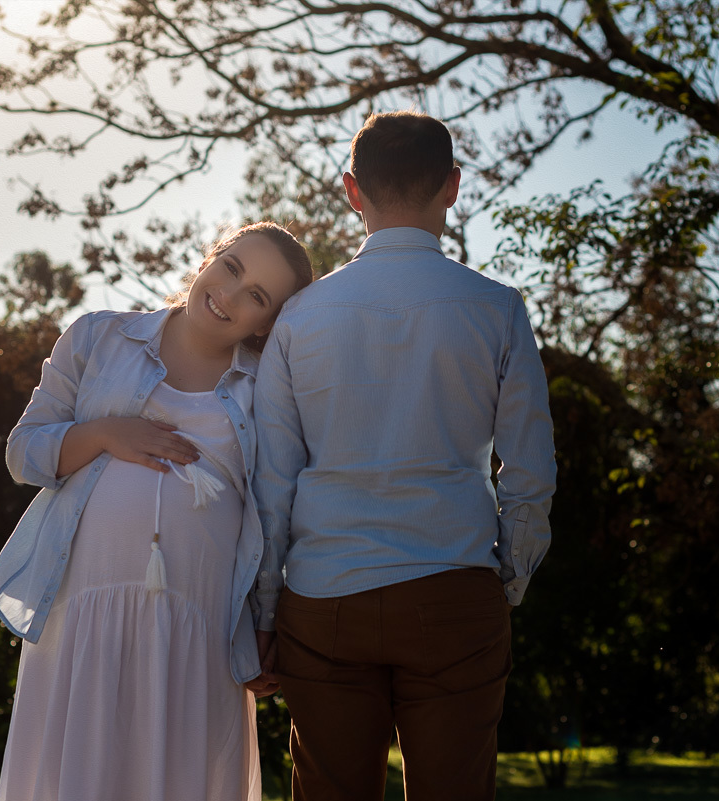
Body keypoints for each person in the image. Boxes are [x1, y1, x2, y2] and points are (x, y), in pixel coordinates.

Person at [251, 112, 557, 800]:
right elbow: (530, 471)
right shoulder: (498, 309)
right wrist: (507, 579)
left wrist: (266, 608)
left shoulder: (299, 318)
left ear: (351, 191)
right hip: (455, 588)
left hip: (324, 599)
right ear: (452, 186)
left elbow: (272, 481)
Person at [0, 221, 313, 801]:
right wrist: (106, 433)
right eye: (231, 267)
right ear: (210, 257)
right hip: (82, 615)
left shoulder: (267, 387)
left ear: (267, 323)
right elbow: (24, 452)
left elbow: (274, 513)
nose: (229, 295)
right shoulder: (98, 338)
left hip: (198, 628)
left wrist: (267, 619)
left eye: (257, 296)